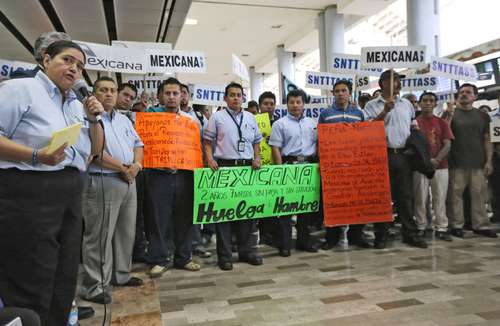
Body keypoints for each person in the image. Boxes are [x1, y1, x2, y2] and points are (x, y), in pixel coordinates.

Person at [0, 40, 104, 326]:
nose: (74, 69)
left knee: (64, 271)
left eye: (80, 66)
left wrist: (94, 119)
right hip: (28, 190)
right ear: (46, 59)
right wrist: (35, 155)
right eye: (68, 60)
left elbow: (93, 150)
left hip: (69, 188)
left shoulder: (74, 103)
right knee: (33, 272)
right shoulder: (20, 89)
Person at [79, 77, 144, 304]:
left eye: (112, 90)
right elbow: (95, 154)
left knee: (126, 232)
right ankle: (94, 286)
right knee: (99, 236)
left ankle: (121, 275)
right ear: (94, 93)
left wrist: (136, 165)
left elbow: (138, 144)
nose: (108, 94)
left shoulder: (124, 120)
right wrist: (123, 168)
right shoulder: (88, 118)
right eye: (103, 90)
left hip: (128, 180)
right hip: (103, 180)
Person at [364, 70, 427, 249]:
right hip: (381, 155)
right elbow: (368, 129)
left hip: (403, 155)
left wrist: (413, 147)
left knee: (406, 196)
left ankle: (409, 233)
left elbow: (413, 127)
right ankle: (381, 234)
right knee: (382, 196)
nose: (397, 84)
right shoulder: (371, 105)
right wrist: (384, 112)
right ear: (383, 83)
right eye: (393, 80)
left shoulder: (407, 104)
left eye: (398, 80)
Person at [203, 82, 264, 271]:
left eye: (239, 95)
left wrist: (257, 157)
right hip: (225, 167)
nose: (236, 98)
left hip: (247, 168)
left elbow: (256, 142)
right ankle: (225, 256)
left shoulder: (250, 117)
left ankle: (246, 252)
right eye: (232, 95)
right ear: (225, 97)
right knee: (224, 215)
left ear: (243, 97)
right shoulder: (217, 117)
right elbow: (206, 141)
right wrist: (209, 159)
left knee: (246, 213)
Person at [146, 78, 202, 278]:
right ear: (161, 96)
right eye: (167, 93)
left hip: (185, 176)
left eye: (175, 93)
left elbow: (198, 147)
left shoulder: (191, 121)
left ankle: (184, 257)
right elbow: (144, 146)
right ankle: (159, 259)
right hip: (159, 175)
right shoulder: (150, 117)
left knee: (185, 218)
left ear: (182, 95)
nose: (171, 97)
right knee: (158, 218)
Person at [318, 80, 372, 250]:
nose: (340, 93)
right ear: (333, 94)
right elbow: (319, 140)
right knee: (332, 202)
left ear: (350, 93)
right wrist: (322, 161)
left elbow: (365, 138)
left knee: (357, 201)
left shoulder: (359, 114)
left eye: (344, 90)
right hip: (333, 166)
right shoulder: (325, 114)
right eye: (337, 91)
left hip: (354, 165)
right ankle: (331, 237)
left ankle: (356, 235)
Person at [268, 89, 320, 256]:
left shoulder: (312, 123)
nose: (295, 105)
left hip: (309, 167)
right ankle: (285, 245)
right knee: (286, 208)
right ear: (287, 104)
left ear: (304, 104)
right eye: (292, 102)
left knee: (306, 208)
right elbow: (275, 148)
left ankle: (304, 242)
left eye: (298, 102)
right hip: (289, 166)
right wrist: (280, 169)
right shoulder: (280, 124)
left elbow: (317, 145)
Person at [446, 83, 497, 238]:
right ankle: (456, 225)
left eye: (468, 92)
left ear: (475, 97)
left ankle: (480, 225)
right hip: (456, 162)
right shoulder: (451, 113)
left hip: (478, 162)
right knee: (455, 195)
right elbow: (445, 135)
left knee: (479, 194)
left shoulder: (482, 115)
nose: (464, 94)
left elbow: (487, 139)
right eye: (461, 92)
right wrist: (448, 115)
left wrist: (489, 161)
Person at [413, 92, 454, 241]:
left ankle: (442, 227)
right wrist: (425, 161)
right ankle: (421, 226)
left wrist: (437, 159)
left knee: (440, 197)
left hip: (440, 166)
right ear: (419, 103)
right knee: (420, 198)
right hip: (420, 167)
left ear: (435, 104)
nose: (428, 103)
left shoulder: (442, 122)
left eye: (431, 100)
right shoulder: (414, 122)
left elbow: (448, 144)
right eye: (425, 100)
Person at [179, 83, 211, 259]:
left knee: (194, 207)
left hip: (195, 167)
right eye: (178, 93)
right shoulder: (163, 115)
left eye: (184, 92)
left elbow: (207, 140)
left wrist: (207, 161)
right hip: (174, 168)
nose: (181, 96)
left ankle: (196, 244)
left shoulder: (198, 116)